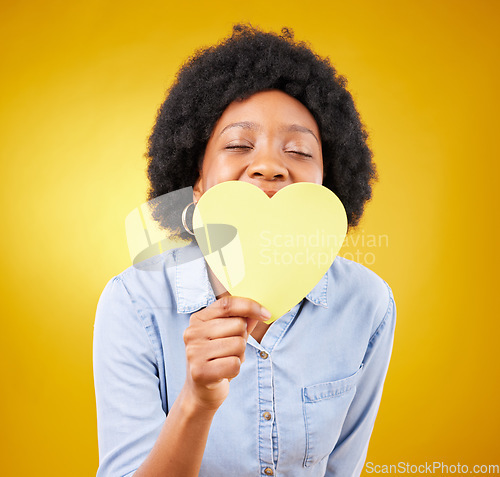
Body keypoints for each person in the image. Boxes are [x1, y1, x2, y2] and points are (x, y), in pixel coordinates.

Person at [93, 24, 396, 477]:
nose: (270, 165)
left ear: (327, 185)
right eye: (238, 145)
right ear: (195, 183)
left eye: (297, 150)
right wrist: (197, 402)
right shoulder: (134, 304)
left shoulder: (367, 304)